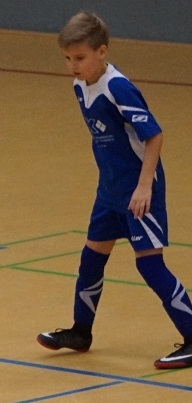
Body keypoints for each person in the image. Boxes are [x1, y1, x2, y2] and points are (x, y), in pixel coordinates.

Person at [37, 11, 192, 369]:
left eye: (80, 58)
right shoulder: (81, 87)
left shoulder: (117, 87)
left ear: (102, 52)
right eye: (67, 58)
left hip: (139, 191)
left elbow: (154, 135)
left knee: (149, 265)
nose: (73, 66)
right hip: (109, 191)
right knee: (91, 259)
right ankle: (81, 332)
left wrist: (143, 186)